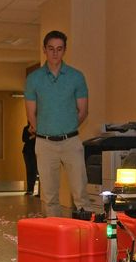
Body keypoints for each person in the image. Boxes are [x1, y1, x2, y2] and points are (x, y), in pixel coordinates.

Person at [24, 30, 90, 217]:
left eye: (59, 49)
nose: (55, 53)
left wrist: (66, 126)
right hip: (44, 144)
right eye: (51, 49)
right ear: (44, 50)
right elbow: (31, 114)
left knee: (80, 193)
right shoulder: (33, 79)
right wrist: (45, 129)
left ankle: (83, 236)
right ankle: (56, 238)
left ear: (64, 51)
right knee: (50, 196)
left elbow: (83, 111)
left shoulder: (76, 77)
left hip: (71, 141)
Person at [22, 123, 38, 195]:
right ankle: (30, 189)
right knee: (29, 170)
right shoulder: (26, 129)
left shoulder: (39, 128)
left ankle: (38, 191)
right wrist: (31, 136)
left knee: (35, 170)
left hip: (36, 151)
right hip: (27, 152)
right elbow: (23, 139)